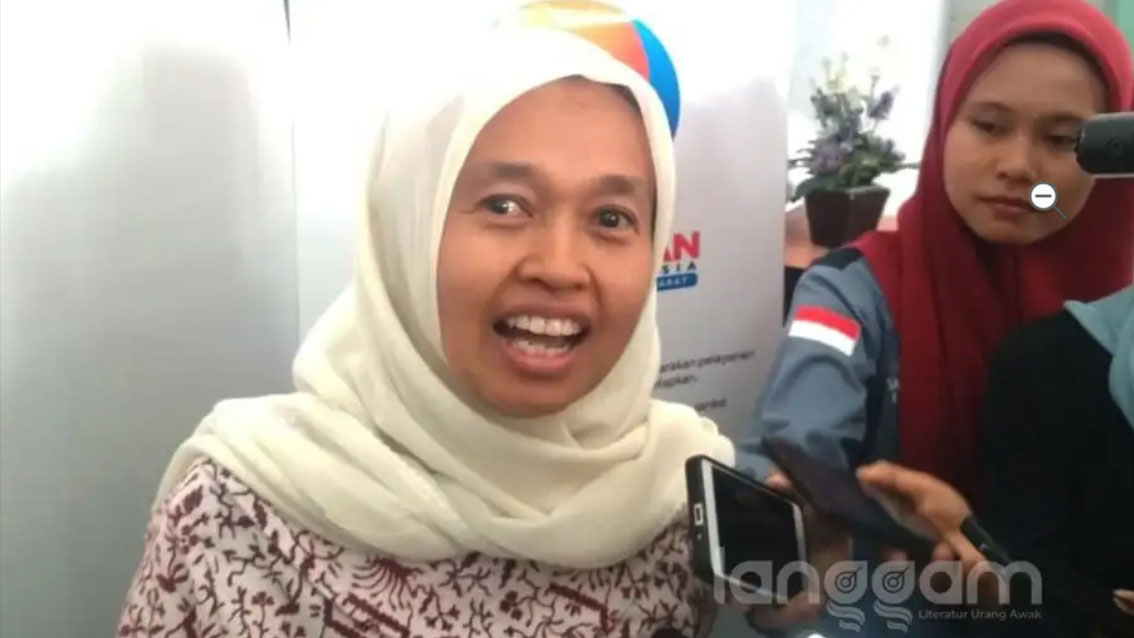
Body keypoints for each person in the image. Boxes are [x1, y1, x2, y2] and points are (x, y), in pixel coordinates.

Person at [117, 7, 833, 637]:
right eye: (505, 205)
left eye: (612, 218)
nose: (560, 266)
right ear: (408, 225)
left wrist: (803, 599)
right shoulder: (241, 511)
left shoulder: (676, 490)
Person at [741, 0, 1133, 634]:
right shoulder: (852, 291)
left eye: (1063, 140)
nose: (1018, 167)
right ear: (944, 121)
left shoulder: (1117, 320)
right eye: (988, 125)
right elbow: (793, 446)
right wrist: (804, 524)